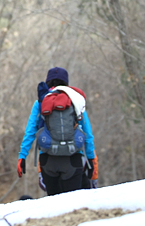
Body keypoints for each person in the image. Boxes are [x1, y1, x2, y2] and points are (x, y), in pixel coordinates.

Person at [16, 67, 98, 195]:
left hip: (48, 160)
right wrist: (92, 159)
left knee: (54, 205)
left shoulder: (41, 102)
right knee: (72, 203)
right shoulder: (75, 101)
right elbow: (88, 134)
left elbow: (30, 132)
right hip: (73, 158)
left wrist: (22, 156)